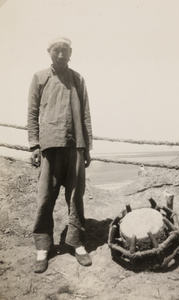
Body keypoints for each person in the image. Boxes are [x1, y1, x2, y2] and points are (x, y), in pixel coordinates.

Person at [27, 37, 93, 273]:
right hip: (49, 146)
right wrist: (34, 145)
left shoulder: (78, 78)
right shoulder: (40, 77)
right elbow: (32, 112)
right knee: (45, 198)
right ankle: (43, 248)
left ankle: (76, 243)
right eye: (57, 51)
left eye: (65, 50)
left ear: (70, 52)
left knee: (75, 197)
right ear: (49, 52)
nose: (61, 55)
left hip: (75, 146)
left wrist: (87, 147)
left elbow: (85, 114)